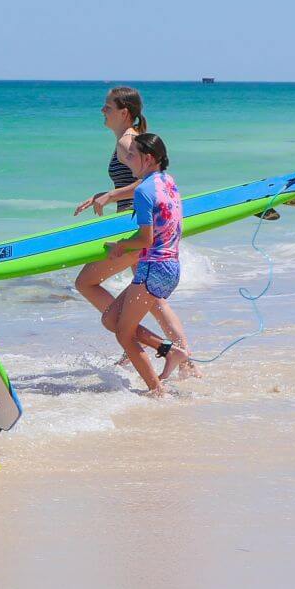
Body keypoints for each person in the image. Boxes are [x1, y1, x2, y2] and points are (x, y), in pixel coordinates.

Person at [70, 87, 197, 377]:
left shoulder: (127, 142)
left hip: (135, 229)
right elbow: (146, 182)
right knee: (153, 301)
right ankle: (183, 359)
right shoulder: (132, 139)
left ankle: (136, 338)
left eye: (108, 107)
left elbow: (146, 183)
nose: (103, 111)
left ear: (124, 112)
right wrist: (103, 195)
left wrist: (111, 196)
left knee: (86, 282)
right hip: (140, 225)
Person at [100, 133, 183, 395]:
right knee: (111, 319)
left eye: (132, 154)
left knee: (123, 334)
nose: (127, 159)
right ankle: (168, 350)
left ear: (147, 159)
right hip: (171, 266)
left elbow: (146, 239)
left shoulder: (144, 191)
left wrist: (121, 245)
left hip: (153, 268)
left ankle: (157, 391)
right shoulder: (167, 181)